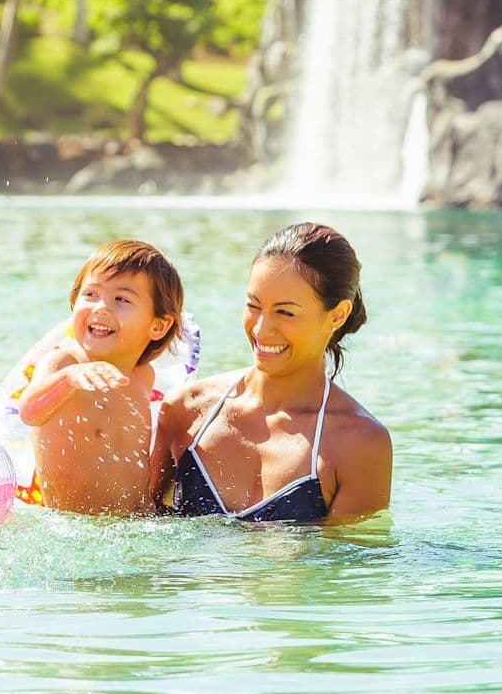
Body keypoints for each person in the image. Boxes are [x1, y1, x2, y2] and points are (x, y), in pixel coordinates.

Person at [152, 223, 391, 523]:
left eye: (285, 312)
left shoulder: (358, 444)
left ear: (338, 315)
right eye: (253, 306)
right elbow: (132, 521)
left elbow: (351, 554)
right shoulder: (186, 410)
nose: (261, 329)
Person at [13, 240, 185, 515]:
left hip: (137, 520)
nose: (101, 308)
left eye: (121, 299)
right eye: (91, 294)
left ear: (158, 326)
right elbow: (29, 413)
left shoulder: (142, 376)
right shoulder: (64, 363)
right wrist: (68, 379)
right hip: (76, 523)